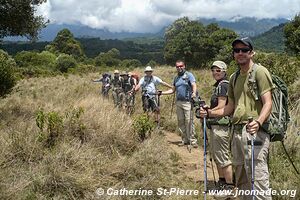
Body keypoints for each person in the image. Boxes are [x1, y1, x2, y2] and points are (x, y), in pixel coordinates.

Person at [198, 37, 274, 200]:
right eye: (236, 50)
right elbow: (229, 108)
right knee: (242, 180)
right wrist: (209, 113)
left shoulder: (260, 72)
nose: (240, 53)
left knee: (258, 180)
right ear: (233, 55)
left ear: (251, 53)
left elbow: (268, 103)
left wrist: (259, 121)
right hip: (237, 132)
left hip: (255, 132)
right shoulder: (234, 77)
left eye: (244, 50)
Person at [206, 61, 234, 192]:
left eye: (218, 70)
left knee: (222, 156)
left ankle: (229, 186)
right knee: (217, 155)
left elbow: (222, 106)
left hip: (221, 126)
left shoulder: (223, 85)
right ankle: (222, 182)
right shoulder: (219, 85)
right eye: (213, 70)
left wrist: (208, 113)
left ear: (224, 71)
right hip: (216, 125)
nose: (215, 73)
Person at [160, 60, 198, 147]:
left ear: (184, 66)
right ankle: (184, 140)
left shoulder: (189, 75)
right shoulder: (176, 78)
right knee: (181, 121)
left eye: (181, 66)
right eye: (177, 66)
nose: (179, 68)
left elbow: (193, 84)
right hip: (179, 102)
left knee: (189, 121)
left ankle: (192, 141)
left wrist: (194, 93)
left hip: (187, 102)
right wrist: (161, 93)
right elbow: (173, 90)